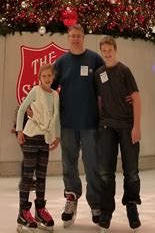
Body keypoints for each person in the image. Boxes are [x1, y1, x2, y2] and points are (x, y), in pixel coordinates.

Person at [52, 24, 104, 226]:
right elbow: (50, 88)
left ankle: (96, 204)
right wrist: (33, 106)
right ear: (68, 38)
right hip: (67, 125)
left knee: (93, 165)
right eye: (72, 36)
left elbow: (104, 87)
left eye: (79, 36)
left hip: (91, 123)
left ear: (84, 37)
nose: (75, 39)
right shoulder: (62, 62)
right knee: (69, 164)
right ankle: (71, 199)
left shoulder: (94, 59)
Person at [95, 36, 141, 232]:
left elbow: (137, 99)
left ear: (115, 49)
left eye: (109, 49)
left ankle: (131, 205)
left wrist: (136, 126)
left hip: (127, 126)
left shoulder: (125, 71)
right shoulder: (99, 74)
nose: (107, 53)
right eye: (103, 50)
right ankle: (106, 211)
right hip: (107, 128)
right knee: (106, 173)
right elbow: (99, 100)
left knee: (131, 172)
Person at [16, 63, 60, 231]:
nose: (47, 79)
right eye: (44, 76)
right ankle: (22, 211)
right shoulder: (36, 91)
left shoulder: (55, 95)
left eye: (49, 76)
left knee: (41, 176)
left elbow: (57, 117)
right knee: (28, 176)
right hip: (31, 136)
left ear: (53, 77)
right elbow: (22, 110)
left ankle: (40, 210)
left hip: (45, 139)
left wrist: (57, 136)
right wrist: (20, 130)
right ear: (39, 78)